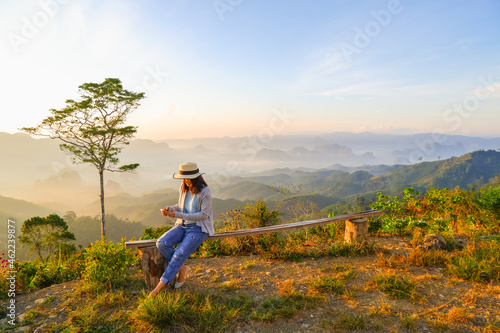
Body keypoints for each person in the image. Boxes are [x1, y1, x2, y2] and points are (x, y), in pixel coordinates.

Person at [149, 162, 214, 298]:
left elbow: (204, 215)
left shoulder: (205, 192)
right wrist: (171, 209)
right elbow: (182, 205)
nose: (183, 180)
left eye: (185, 178)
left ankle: (156, 291)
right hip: (183, 225)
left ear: (194, 177)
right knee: (162, 243)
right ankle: (182, 267)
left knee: (178, 255)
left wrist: (177, 214)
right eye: (182, 178)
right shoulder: (183, 188)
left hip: (198, 229)